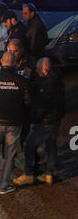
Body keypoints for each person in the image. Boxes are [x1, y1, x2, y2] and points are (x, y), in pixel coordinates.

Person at [0, 51, 31, 194]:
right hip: (14, 123)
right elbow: (28, 103)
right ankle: (4, 185)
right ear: (15, 63)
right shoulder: (22, 80)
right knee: (10, 154)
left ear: (1, 62)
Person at [14, 58, 65, 187]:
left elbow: (42, 105)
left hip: (44, 121)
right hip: (55, 120)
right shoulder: (58, 79)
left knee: (29, 146)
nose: (36, 73)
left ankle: (28, 174)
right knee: (50, 146)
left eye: (38, 70)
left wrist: (34, 118)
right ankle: (49, 174)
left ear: (45, 69)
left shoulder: (47, 84)